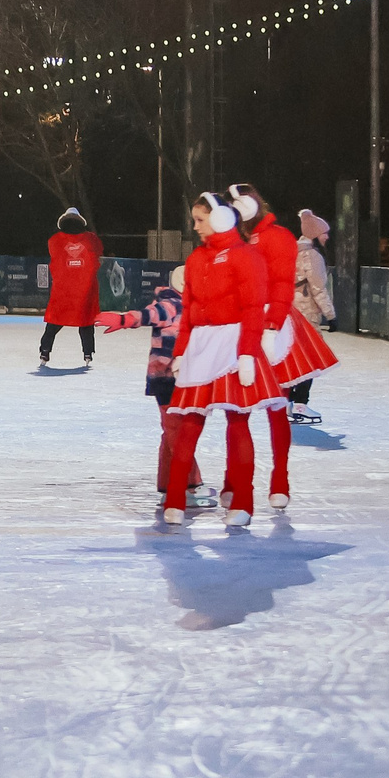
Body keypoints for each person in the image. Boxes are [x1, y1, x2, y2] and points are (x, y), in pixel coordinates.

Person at [163, 191, 273, 527]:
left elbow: (254, 308)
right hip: (201, 345)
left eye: (200, 219)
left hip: (232, 343)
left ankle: (243, 502)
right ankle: (175, 499)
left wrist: (247, 353)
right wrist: (181, 350)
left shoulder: (246, 257)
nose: (195, 227)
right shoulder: (196, 259)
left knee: (238, 422)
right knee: (190, 423)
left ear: (222, 217)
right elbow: (189, 313)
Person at [229, 182, 336, 507]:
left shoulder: (276, 241)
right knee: (299, 364)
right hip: (276, 317)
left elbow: (272, 283)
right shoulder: (307, 254)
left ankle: (276, 477)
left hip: (275, 317)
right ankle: (295, 404)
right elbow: (316, 288)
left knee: (276, 385)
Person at [97, 267, 217, 510]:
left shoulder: (191, 304)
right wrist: (125, 319)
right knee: (177, 433)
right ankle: (190, 485)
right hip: (168, 377)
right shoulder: (173, 303)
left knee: (172, 431)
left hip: (177, 376)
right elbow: (151, 314)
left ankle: (168, 485)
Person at [289, 209, 337, 424]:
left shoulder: (291, 252)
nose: (327, 237)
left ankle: (289, 402)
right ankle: (301, 403)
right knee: (310, 358)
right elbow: (318, 289)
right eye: (324, 233)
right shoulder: (313, 256)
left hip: (288, 312)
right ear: (315, 234)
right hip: (306, 313)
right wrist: (331, 315)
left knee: (293, 357)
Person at [39, 207, 102, 368]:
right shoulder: (91, 239)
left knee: (54, 321)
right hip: (85, 290)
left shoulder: (55, 240)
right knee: (86, 322)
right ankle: (88, 353)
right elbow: (97, 254)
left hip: (64, 291)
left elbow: (55, 257)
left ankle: (45, 351)